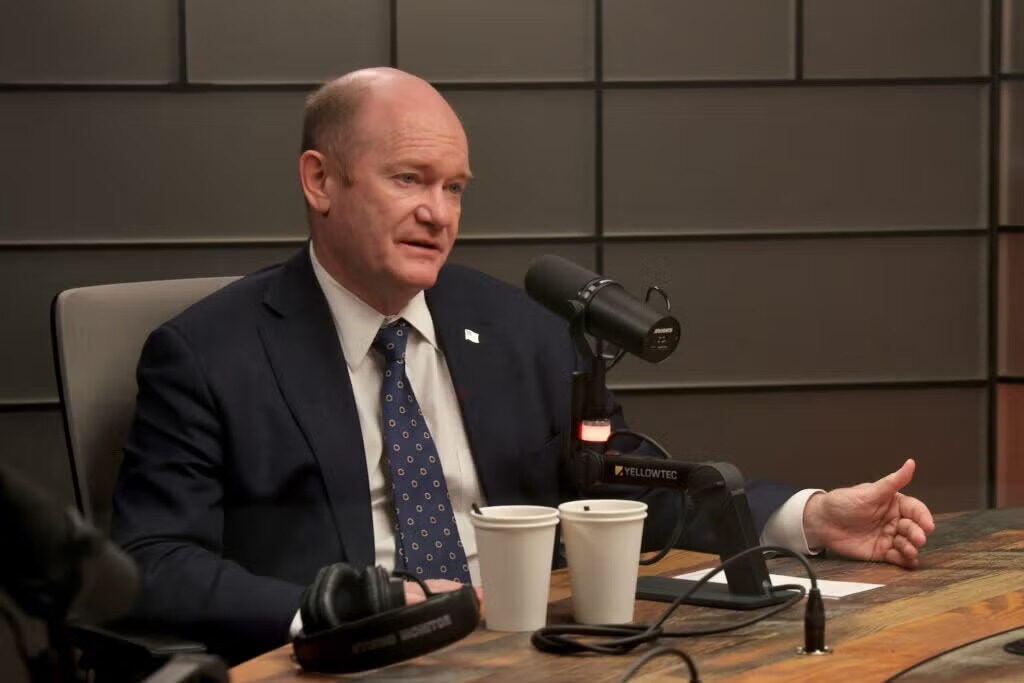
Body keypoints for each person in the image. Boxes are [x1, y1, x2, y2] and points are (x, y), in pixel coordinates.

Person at [111, 67, 935, 664]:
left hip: (529, 653)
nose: (440, 214)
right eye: (410, 181)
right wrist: (340, 605)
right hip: (354, 658)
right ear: (319, 181)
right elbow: (152, 562)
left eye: (456, 187)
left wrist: (808, 516)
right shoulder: (210, 354)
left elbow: (619, 490)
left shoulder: (517, 327)